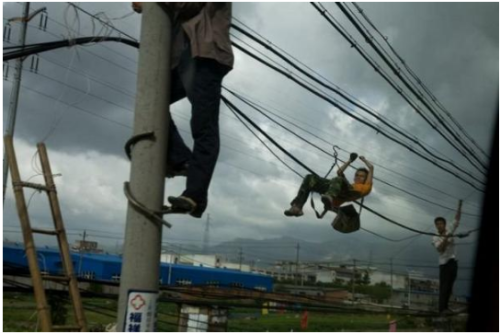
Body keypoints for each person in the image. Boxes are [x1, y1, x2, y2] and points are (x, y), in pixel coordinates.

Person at [132, 2, 234, 218]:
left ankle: (195, 196)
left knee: (203, 125)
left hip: (206, 55)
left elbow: (190, 4)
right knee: (150, 103)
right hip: (181, 60)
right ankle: (181, 159)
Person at [284, 154, 374, 217]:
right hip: (337, 191)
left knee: (339, 179)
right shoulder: (348, 184)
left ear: (366, 179)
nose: (358, 177)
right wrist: (349, 160)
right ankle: (297, 207)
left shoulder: (366, 186)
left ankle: (329, 196)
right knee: (309, 178)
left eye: (362, 176)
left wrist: (364, 160)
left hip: (350, 192)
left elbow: (371, 168)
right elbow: (339, 172)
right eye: (357, 175)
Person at [432, 200, 462, 315]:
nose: (439, 225)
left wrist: (459, 206)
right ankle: (441, 309)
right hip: (444, 264)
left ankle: (446, 307)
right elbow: (440, 249)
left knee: (450, 287)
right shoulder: (435, 237)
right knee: (444, 287)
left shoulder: (449, 230)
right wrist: (445, 238)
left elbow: (457, 219)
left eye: (441, 223)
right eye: (437, 224)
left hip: (453, 262)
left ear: (444, 224)